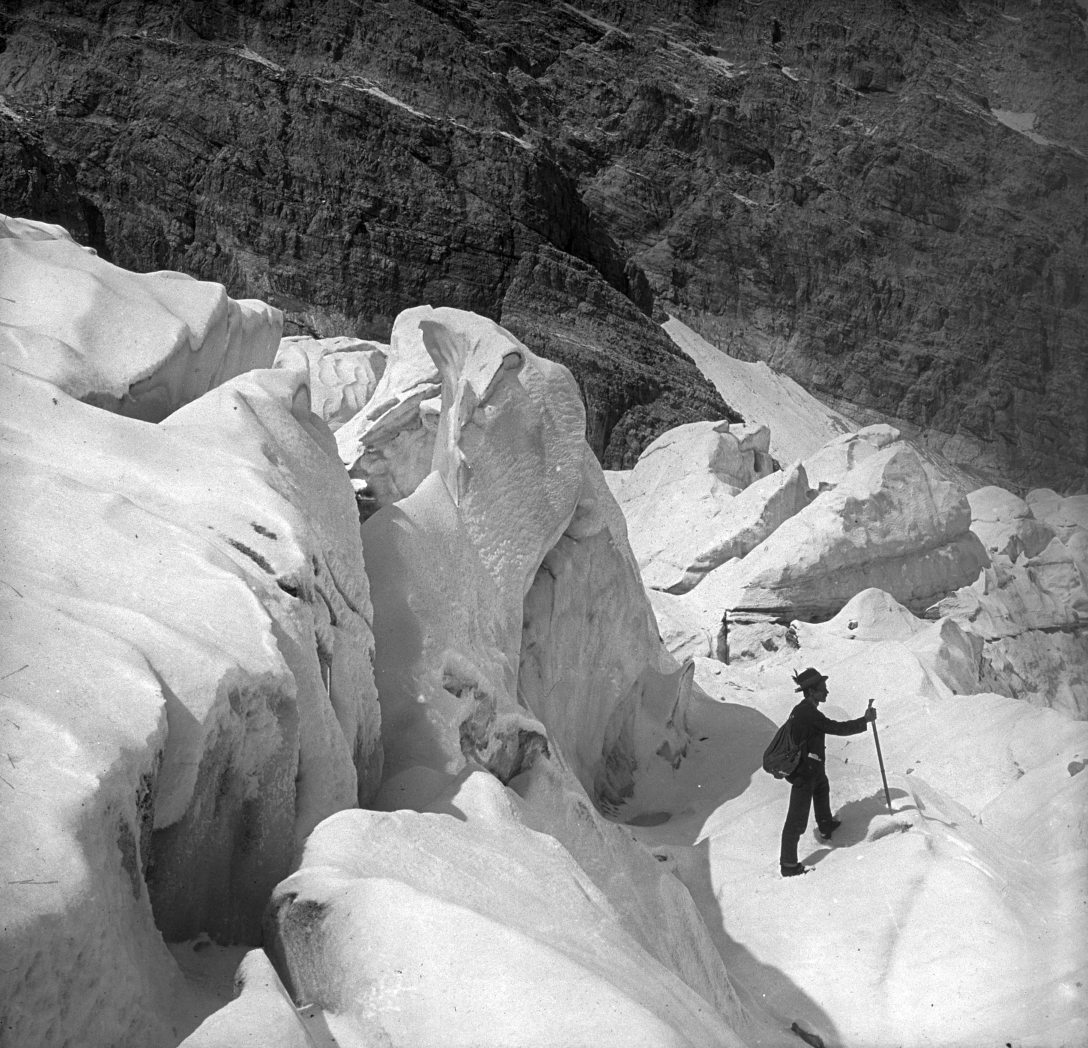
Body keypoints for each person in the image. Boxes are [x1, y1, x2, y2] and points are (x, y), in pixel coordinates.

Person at [780, 667, 876, 878]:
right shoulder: (807, 712)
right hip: (804, 774)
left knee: (822, 789)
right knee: (796, 820)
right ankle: (788, 865)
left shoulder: (806, 709)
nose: (827, 692)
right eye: (823, 689)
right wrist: (864, 720)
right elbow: (836, 728)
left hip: (812, 769)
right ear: (812, 691)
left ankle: (826, 825)